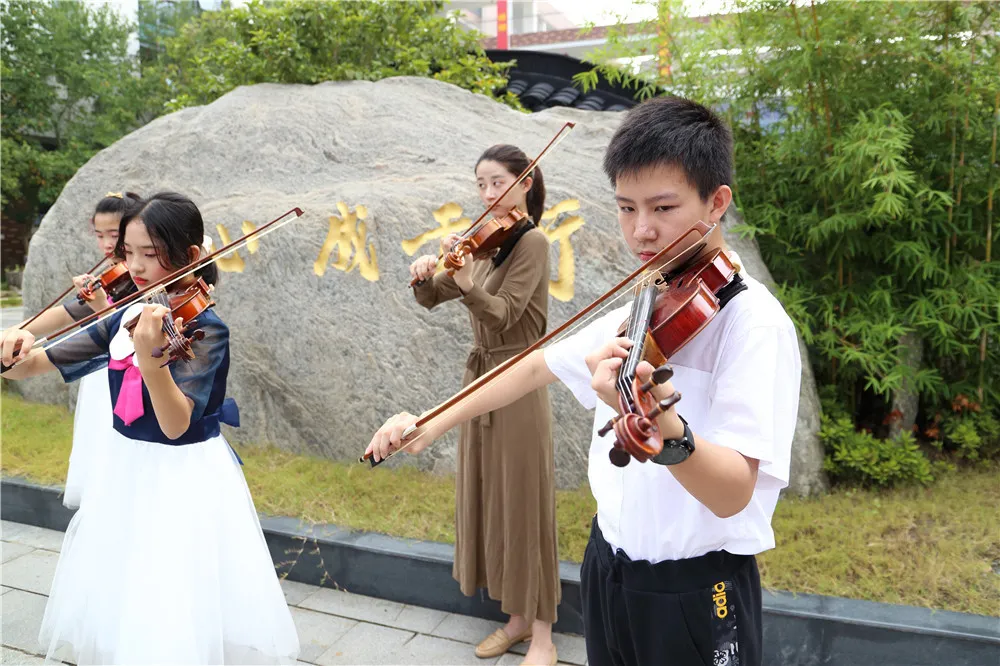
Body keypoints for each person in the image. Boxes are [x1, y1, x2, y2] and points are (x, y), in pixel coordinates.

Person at [368, 96, 802, 666]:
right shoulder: (652, 296)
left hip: (697, 589)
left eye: (663, 207)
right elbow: (536, 363)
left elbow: (732, 494)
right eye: (625, 208)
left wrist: (664, 421)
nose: (642, 231)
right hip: (607, 565)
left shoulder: (753, 324)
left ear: (716, 202)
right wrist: (429, 424)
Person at [1, 192, 300, 664]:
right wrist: (14, 349)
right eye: (128, 252)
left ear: (191, 257)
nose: (134, 267)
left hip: (182, 475)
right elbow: (39, 362)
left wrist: (151, 359)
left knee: (175, 589)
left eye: (150, 254)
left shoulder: (205, 327)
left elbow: (177, 423)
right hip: (127, 469)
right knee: (128, 586)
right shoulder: (126, 316)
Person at [407, 145, 560, 665]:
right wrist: (426, 272)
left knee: (525, 504)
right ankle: (514, 620)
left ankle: (543, 633)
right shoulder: (487, 244)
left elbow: (507, 317)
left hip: (517, 379)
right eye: (481, 184)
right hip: (479, 381)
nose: (488, 194)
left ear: (527, 183)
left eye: (498, 183)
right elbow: (431, 297)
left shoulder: (532, 242)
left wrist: (469, 285)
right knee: (493, 497)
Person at [0, 191, 141, 509]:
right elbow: (65, 314)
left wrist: (102, 305)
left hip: (130, 381)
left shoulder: (144, 279)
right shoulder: (111, 276)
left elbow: (120, 335)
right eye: (99, 235)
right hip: (99, 381)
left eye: (114, 235)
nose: (106, 244)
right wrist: (20, 330)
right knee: (101, 458)